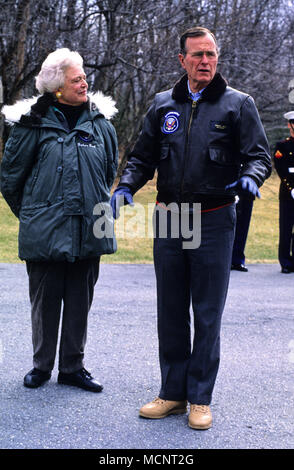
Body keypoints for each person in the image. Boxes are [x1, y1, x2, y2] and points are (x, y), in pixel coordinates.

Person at [111, 26, 271, 430]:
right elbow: (142, 156)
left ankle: (200, 398)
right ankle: (172, 393)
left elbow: (259, 155)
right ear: (181, 60)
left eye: (211, 54)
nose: (205, 61)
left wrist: (253, 176)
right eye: (197, 55)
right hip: (170, 218)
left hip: (214, 218)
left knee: (207, 312)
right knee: (170, 310)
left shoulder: (238, 105)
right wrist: (127, 185)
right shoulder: (163, 104)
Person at [1, 48, 118, 391]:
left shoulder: (101, 124)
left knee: (80, 300)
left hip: (88, 227)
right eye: (76, 79)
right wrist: (35, 215)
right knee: (46, 301)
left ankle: (72, 367)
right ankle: (42, 366)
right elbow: (10, 179)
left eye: (84, 77)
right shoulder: (32, 125)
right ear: (57, 88)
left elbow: (108, 171)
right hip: (45, 230)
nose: (84, 83)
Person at [273, 111, 294, 273]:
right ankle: (285, 262)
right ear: (289, 125)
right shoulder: (283, 145)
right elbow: (281, 169)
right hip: (288, 193)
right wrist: (291, 188)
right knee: (286, 228)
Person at [231, 193, 254, 272]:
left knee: (243, 228)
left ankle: (238, 260)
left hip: (247, 193)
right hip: (229, 193)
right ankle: (227, 260)